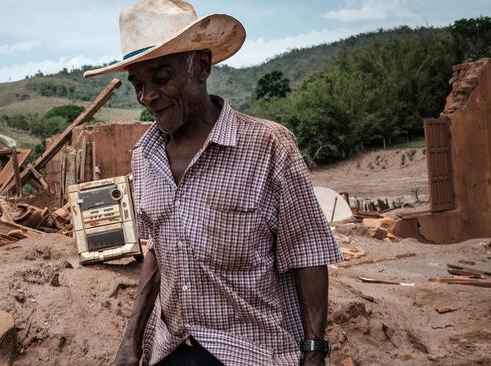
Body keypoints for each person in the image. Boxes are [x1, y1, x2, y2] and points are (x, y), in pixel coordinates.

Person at [84, 1, 342, 365]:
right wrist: (132, 339)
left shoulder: (268, 145)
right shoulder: (144, 157)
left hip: (252, 351)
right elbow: (160, 247)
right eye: (138, 85)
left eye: (161, 78)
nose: (148, 97)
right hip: (171, 348)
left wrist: (314, 350)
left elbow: (308, 252)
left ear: (201, 67)